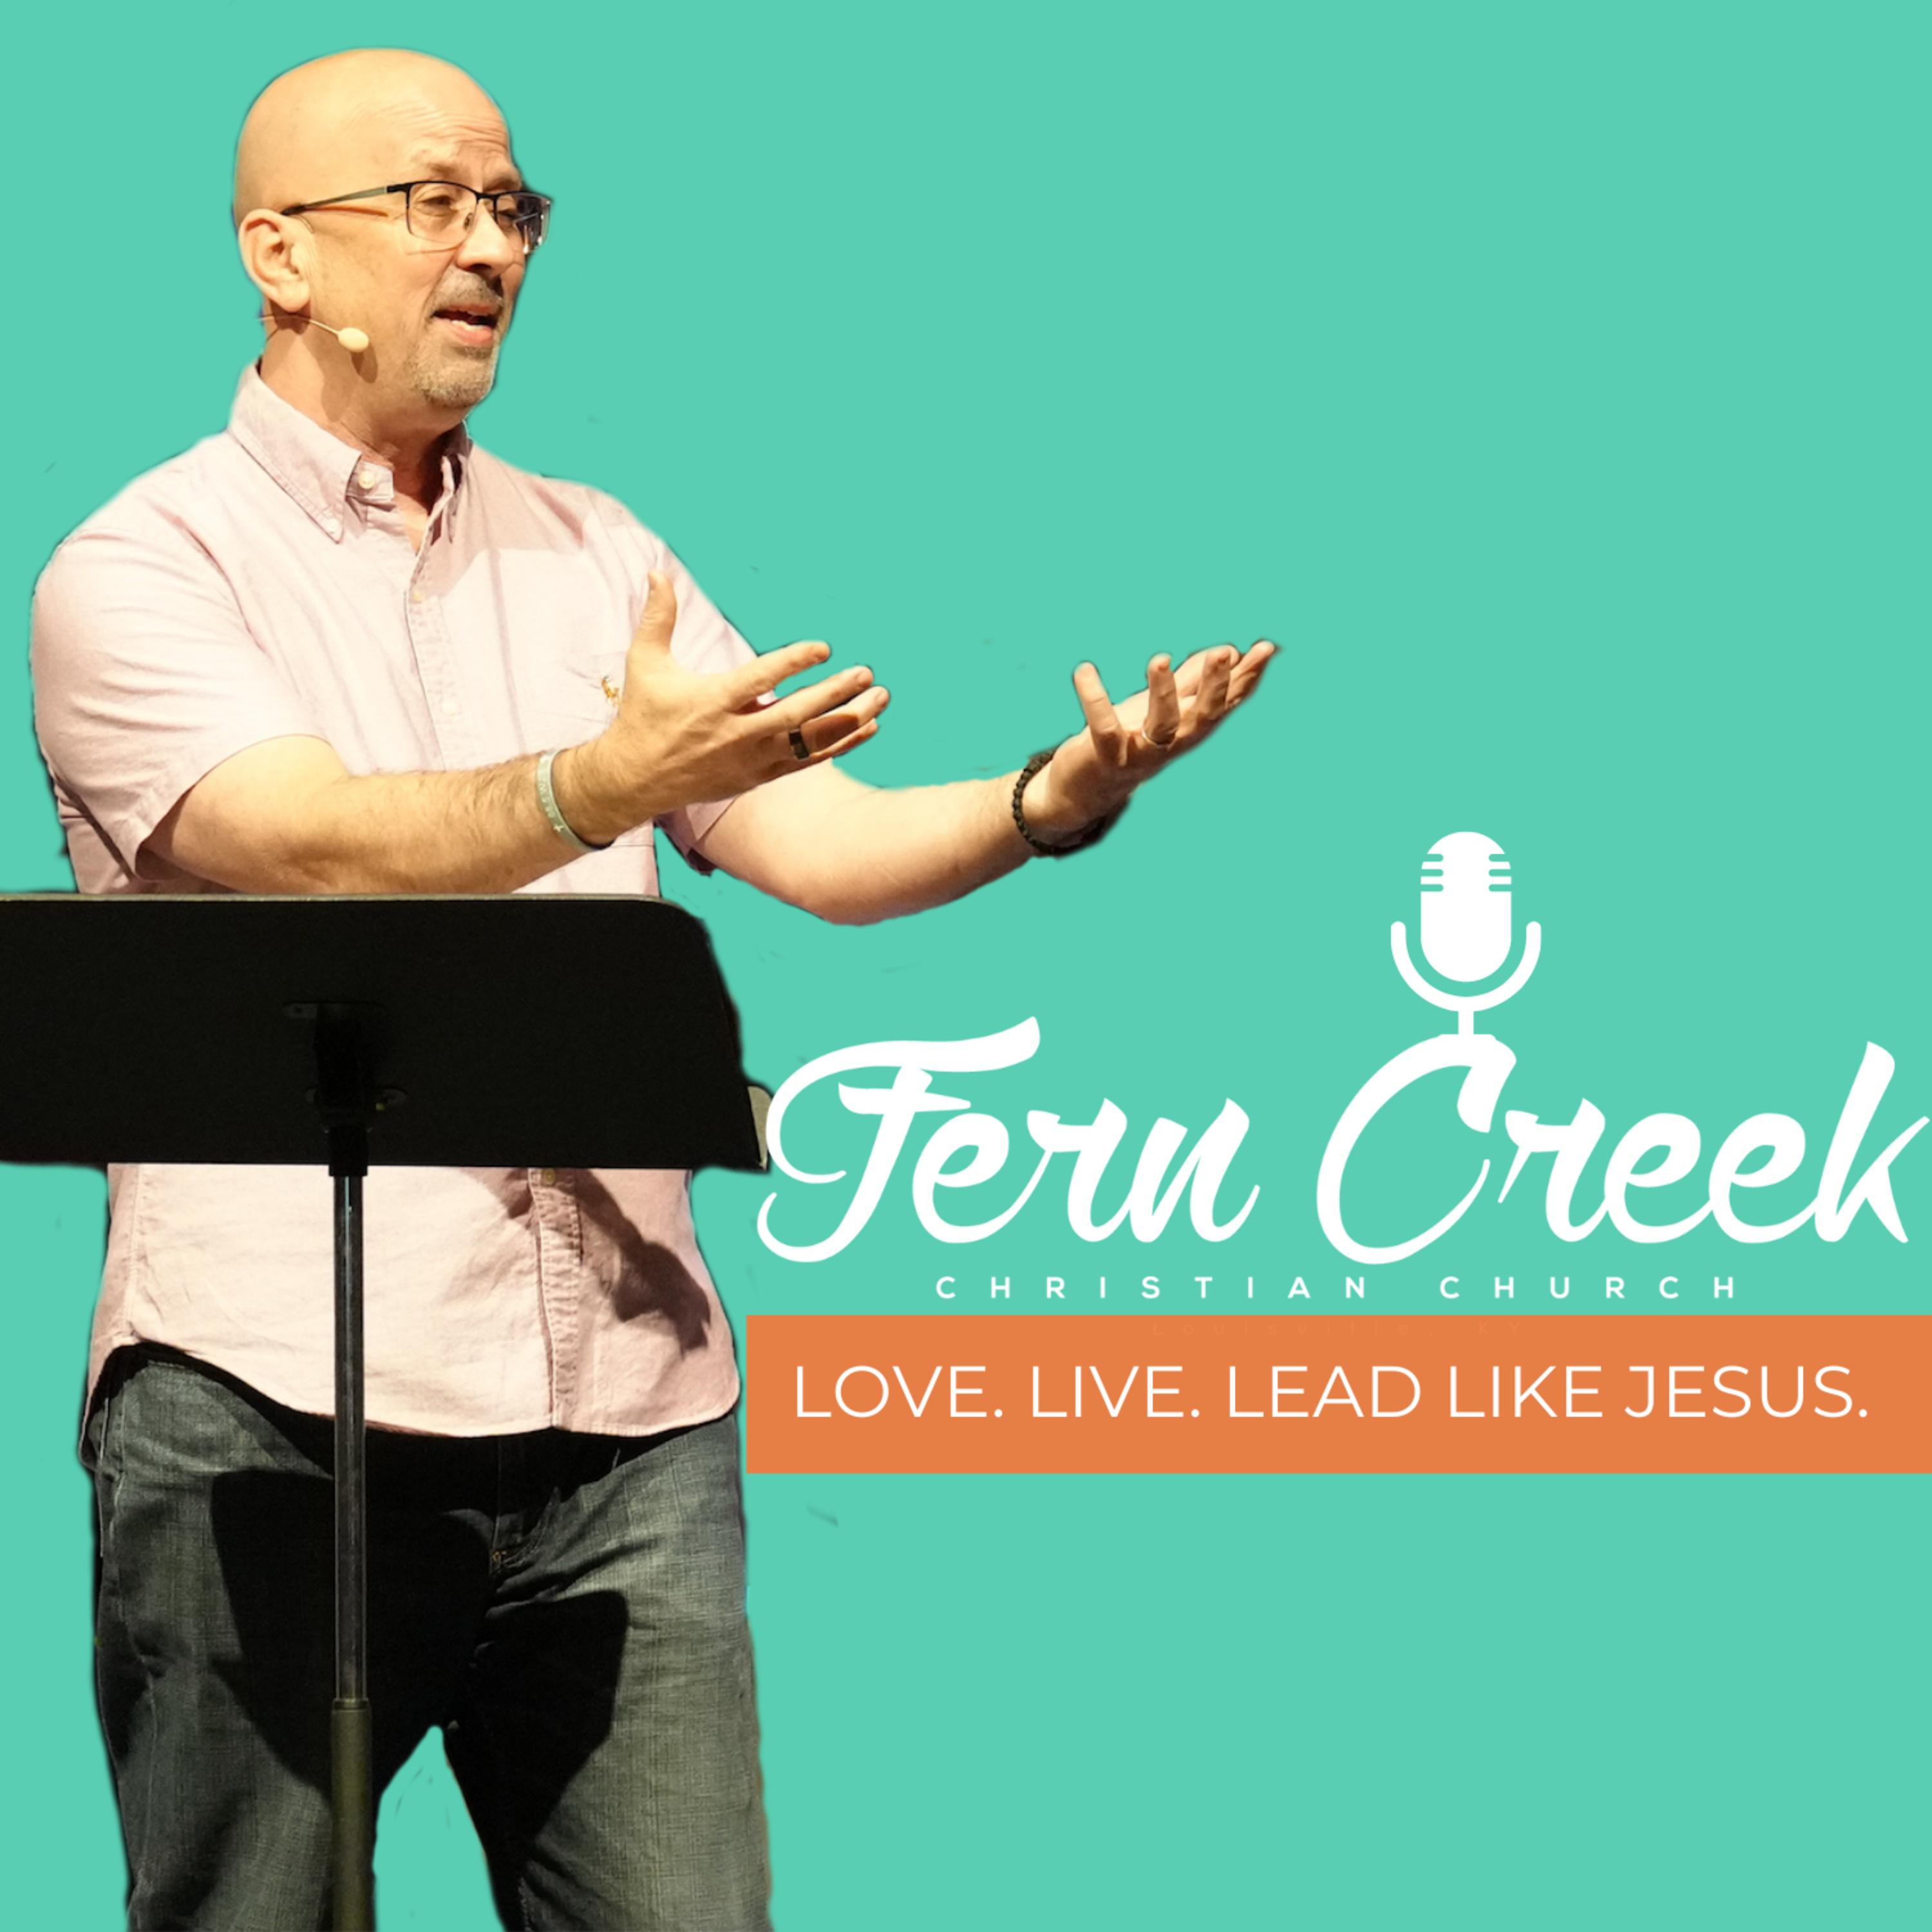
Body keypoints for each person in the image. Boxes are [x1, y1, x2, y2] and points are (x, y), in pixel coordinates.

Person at [30, 46, 1273, 1932]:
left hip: (629, 1428)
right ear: (279, 255)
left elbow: (821, 845)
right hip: (272, 1412)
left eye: (513, 206)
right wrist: (595, 786)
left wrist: (1048, 801)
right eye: (433, 203)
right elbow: (307, 840)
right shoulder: (142, 565)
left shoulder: (597, 547)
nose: (489, 248)